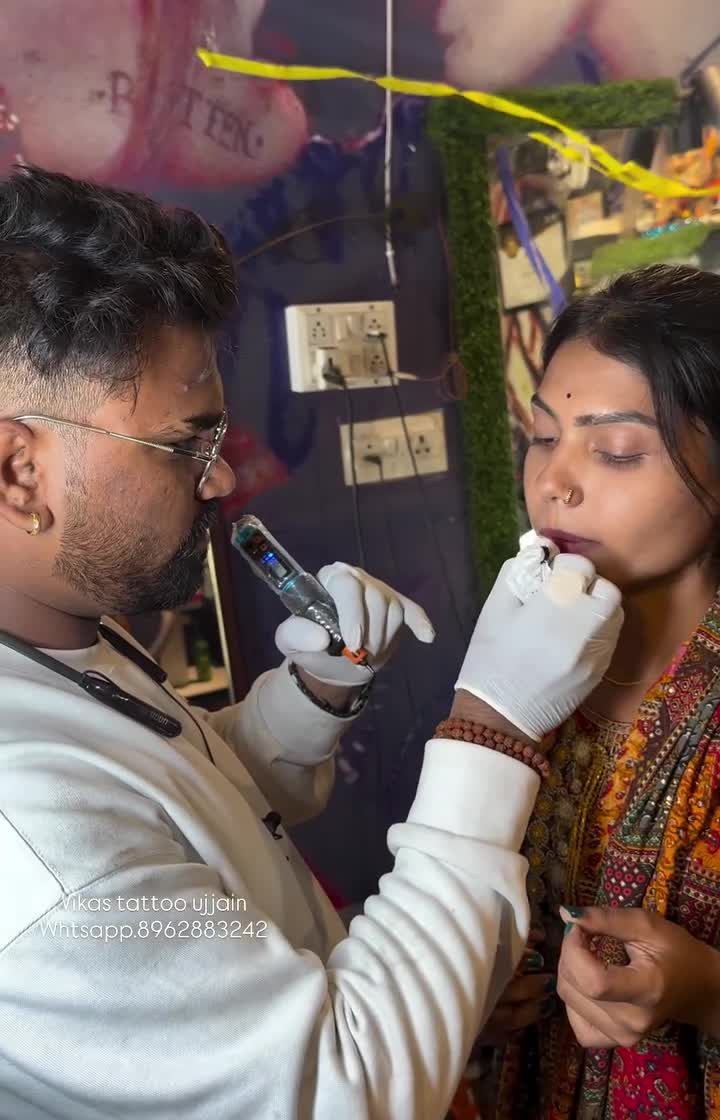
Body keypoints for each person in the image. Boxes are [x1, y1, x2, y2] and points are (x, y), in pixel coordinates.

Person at [0, 165, 623, 1120]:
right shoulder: (29, 846)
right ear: (18, 469)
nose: (220, 482)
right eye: (185, 445)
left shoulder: (60, 633)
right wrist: (491, 724)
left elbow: (179, 817)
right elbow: (345, 1088)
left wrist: (312, 698)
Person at [481, 264, 720, 1120]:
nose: (555, 481)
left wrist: (707, 992)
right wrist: (477, 985)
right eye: (543, 436)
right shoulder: (524, 665)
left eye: (616, 450)